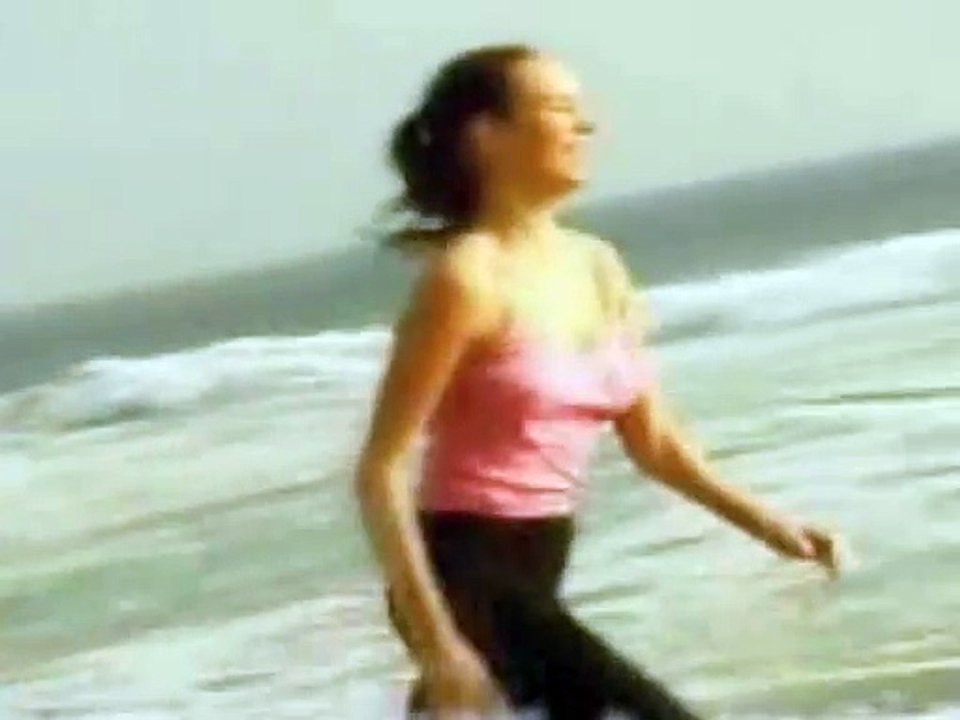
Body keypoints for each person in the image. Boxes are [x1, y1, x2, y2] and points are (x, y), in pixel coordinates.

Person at [354, 44, 840, 719]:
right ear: (487, 136)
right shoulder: (466, 278)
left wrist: (773, 525)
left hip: (537, 570)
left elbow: (656, 444)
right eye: (558, 108)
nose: (585, 127)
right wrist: (436, 644)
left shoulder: (597, 266)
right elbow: (380, 469)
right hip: (463, 575)